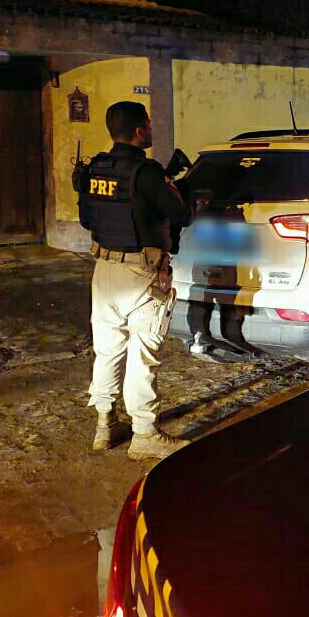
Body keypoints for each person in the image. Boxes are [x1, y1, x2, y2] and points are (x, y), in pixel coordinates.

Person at [79, 101, 191, 460]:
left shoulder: (96, 168)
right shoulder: (146, 172)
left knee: (108, 350)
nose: (151, 129)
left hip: (104, 269)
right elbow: (181, 213)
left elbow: (87, 219)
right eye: (149, 124)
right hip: (141, 273)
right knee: (143, 356)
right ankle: (144, 435)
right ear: (139, 131)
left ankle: (105, 425)